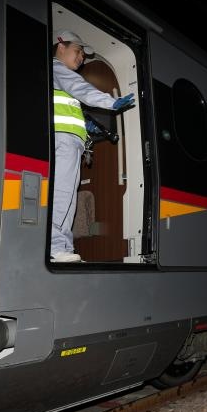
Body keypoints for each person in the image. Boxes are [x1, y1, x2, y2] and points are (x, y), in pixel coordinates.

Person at [50, 30, 135, 262]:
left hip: (66, 141)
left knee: (66, 195)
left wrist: (86, 126)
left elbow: (62, 108)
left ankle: (62, 247)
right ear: (61, 46)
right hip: (64, 142)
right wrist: (110, 102)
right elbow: (81, 88)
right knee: (63, 194)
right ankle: (56, 248)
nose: (82, 58)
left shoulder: (55, 75)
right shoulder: (57, 68)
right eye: (78, 51)